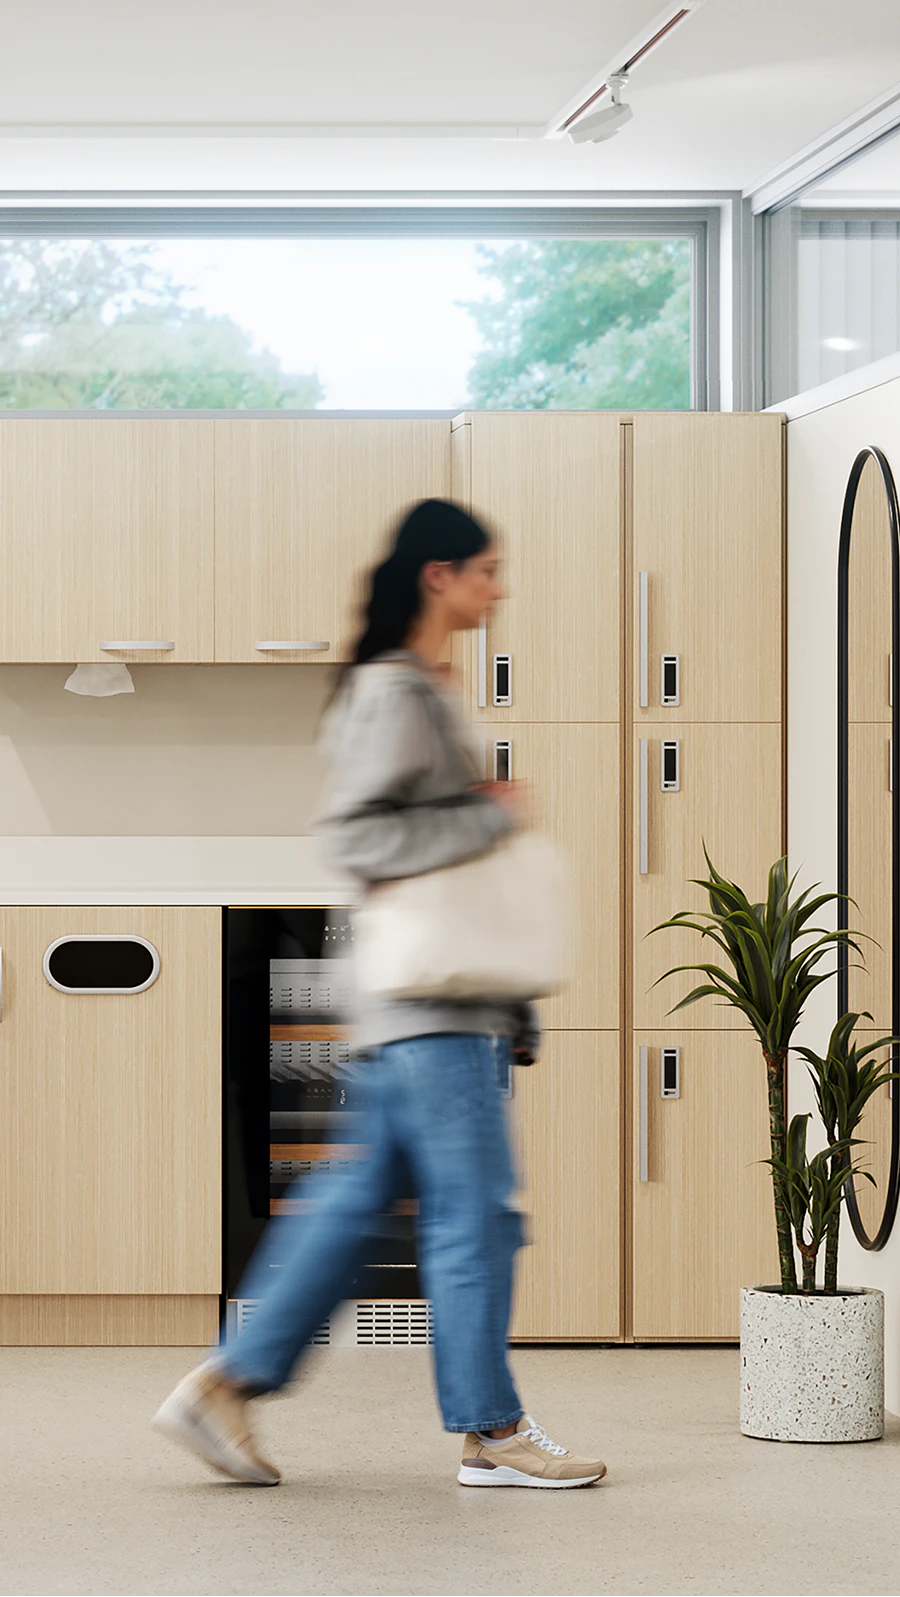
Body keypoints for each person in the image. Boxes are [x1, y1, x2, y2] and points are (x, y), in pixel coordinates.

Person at [153, 499, 604, 1490]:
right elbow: (358, 841)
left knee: (350, 1208)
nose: (500, 586)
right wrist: (487, 818)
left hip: (434, 1006)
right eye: (486, 568)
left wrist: (511, 1001)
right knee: (475, 1214)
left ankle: (226, 1385)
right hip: (432, 1010)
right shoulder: (396, 692)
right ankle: (491, 1430)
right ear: (436, 576)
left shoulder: (425, 685)